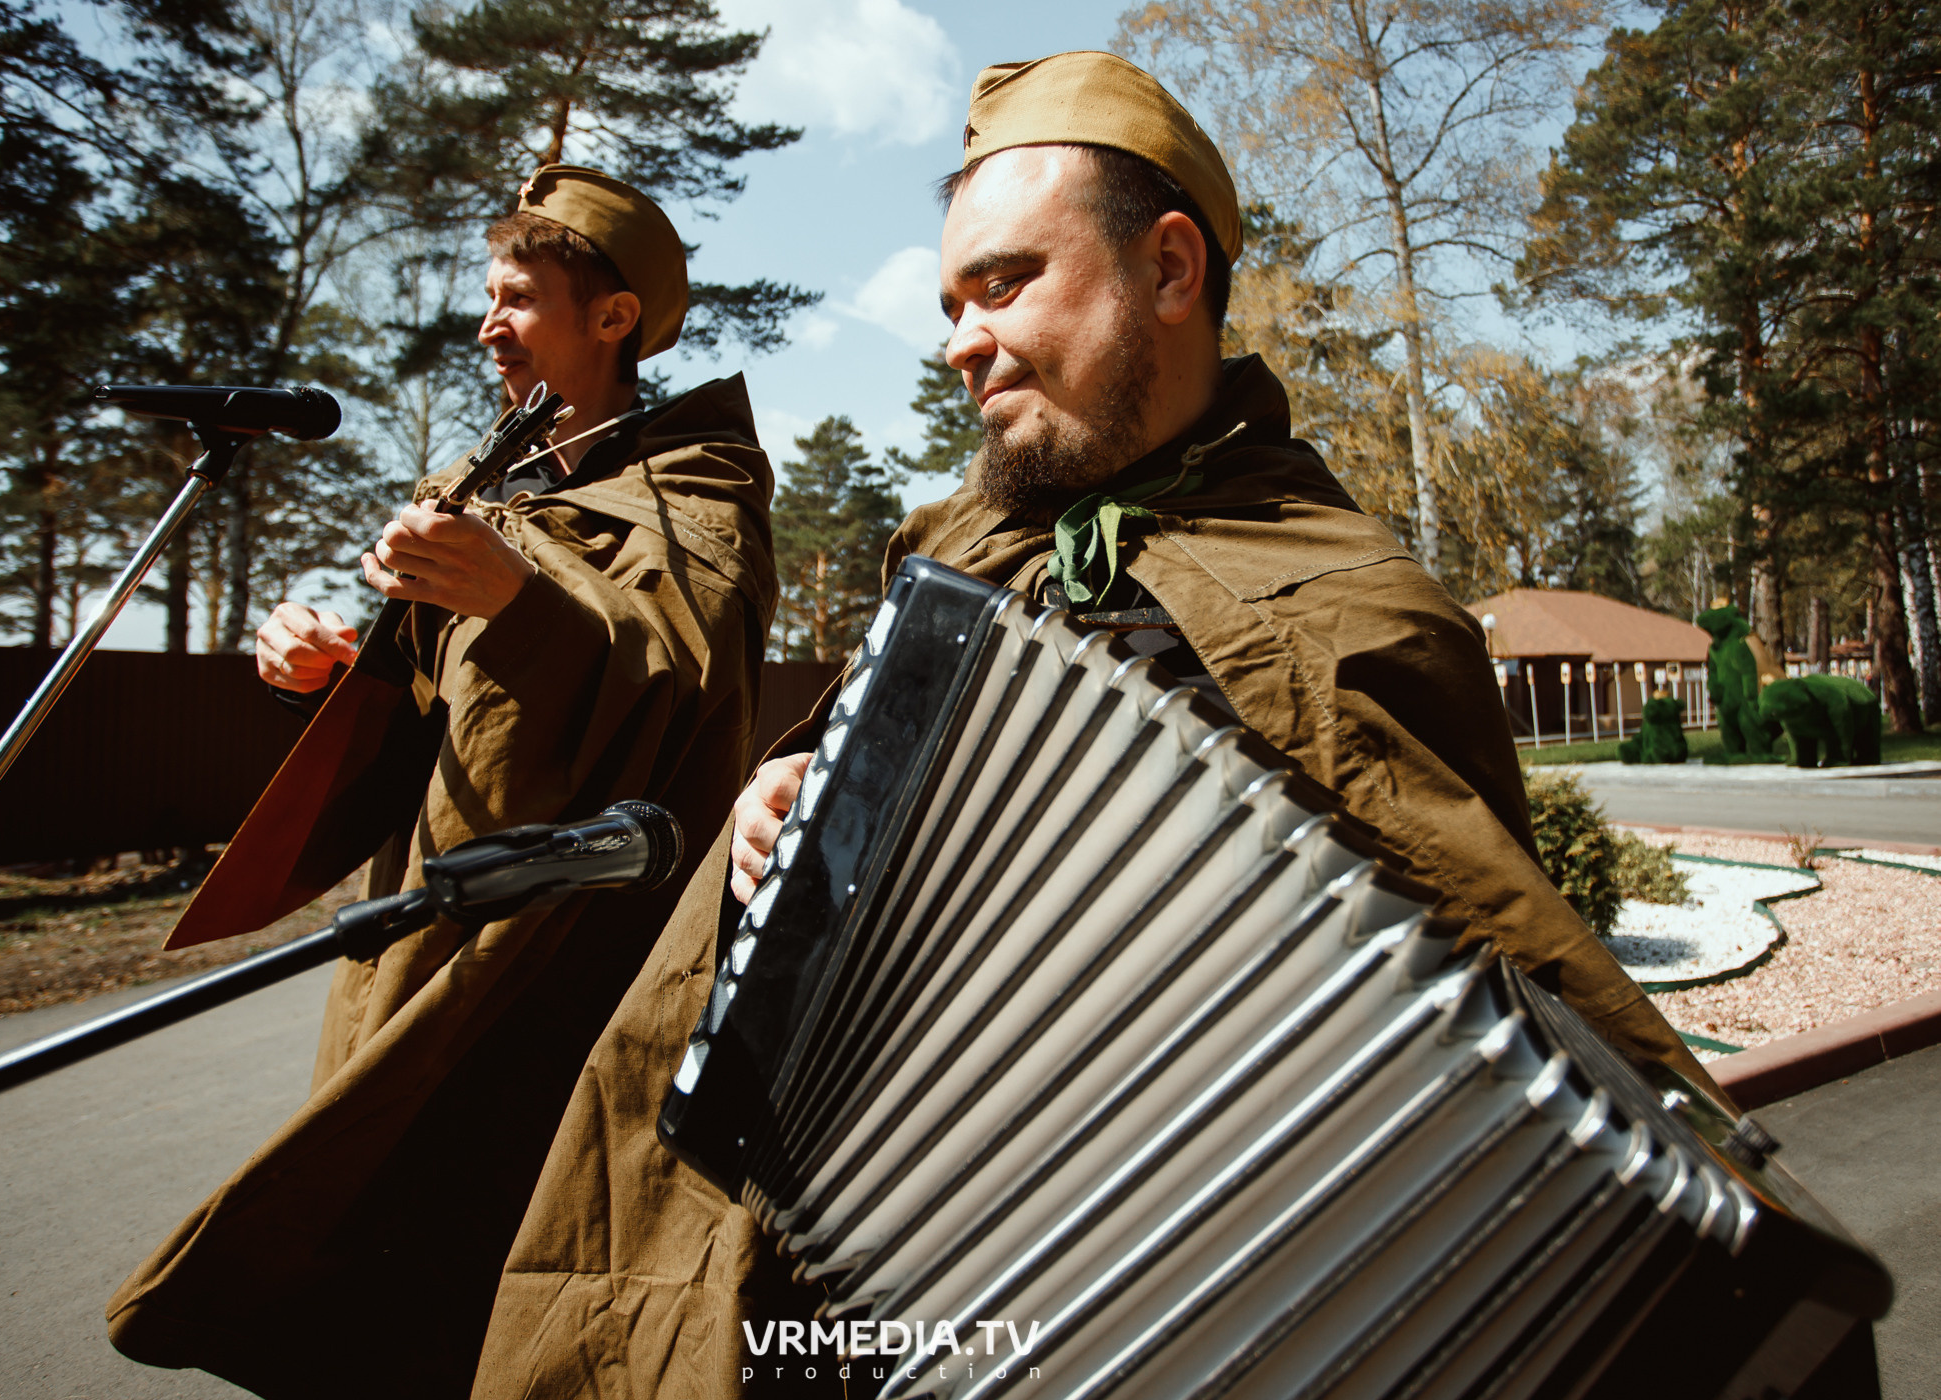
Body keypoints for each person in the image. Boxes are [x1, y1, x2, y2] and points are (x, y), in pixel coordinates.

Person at [456, 54, 1729, 1400]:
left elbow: (1495, 1049)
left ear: (1170, 269)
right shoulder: (956, 560)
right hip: (886, 1252)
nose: (960, 340)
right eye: (953, 304)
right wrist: (789, 812)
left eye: (1005, 283)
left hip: (1207, 1293)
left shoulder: (1361, 608)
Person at [105, 165, 778, 1400]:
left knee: (506, 1224)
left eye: (516, 298)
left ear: (613, 317)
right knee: (369, 1198)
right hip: (422, 908)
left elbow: (683, 684)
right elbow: (435, 696)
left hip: (570, 938)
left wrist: (523, 601)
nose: (486, 324)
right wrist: (320, 670)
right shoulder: (478, 482)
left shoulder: (699, 486)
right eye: (489, 295)